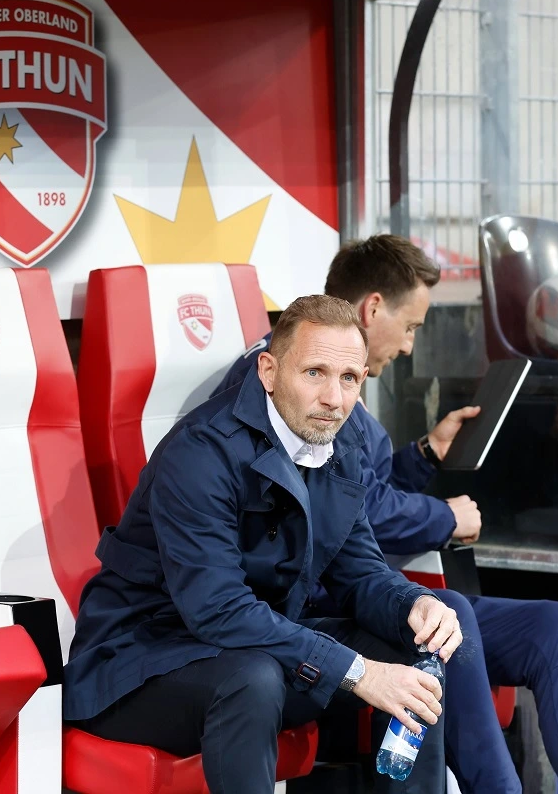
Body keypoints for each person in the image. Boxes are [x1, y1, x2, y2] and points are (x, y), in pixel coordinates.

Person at [214, 234, 558, 794]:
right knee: (445, 616)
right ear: (373, 308)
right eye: (411, 326)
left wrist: (426, 454)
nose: (411, 346)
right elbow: (341, 508)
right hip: (321, 609)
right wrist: (444, 518)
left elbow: (360, 494)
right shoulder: (281, 387)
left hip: (373, 589)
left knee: (557, 626)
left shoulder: (341, 394)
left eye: (344, 379)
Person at [64, 295, 465, 794]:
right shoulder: (200, 451)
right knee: (252, 677)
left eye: (348, 379)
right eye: (314, 373)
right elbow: (218, 609)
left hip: (254, 649)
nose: (334, 398)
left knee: (416, 644)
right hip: (136, 663)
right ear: (268, 372)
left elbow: (361, 573)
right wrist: (358, 672)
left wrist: (414, 604)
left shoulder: (340, 445)